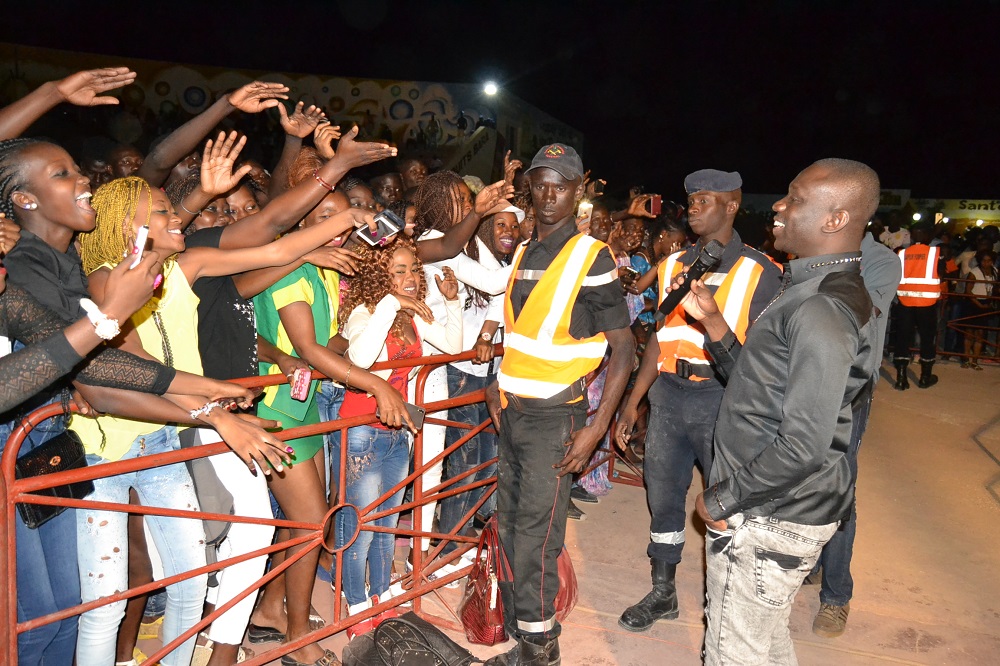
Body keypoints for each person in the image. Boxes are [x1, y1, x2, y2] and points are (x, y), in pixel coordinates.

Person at [690, 158, 879, 665]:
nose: (778, 205)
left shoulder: (822, 308)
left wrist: (724, 498)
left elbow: (806, 444)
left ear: (835, 220)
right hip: (772, 505)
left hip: (769, 513)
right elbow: (763, 387)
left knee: (734, 654)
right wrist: (716, 329)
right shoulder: (808, 290)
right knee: (764, 644)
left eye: (794, 198)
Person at [485, 144, 635, 666]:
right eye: (541, 183)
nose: (549, 195)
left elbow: (625, 348)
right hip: (513, 409)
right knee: (508, 524)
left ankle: (539, 647)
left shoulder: (590, 255)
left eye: (561, 185)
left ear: (579, 190)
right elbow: (518, 330)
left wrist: (596, 428)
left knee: (537, 536)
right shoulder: (525, 250)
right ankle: (518, 624)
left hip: (557, 415)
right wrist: (493, 383)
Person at [615, 169, 782, 632]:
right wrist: (635, 400)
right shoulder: (672, 266)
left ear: (731, 205)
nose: (691, 206)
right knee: (663, 495)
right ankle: (663, 589)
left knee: (725, 502)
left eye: (703, 199)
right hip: (669, 394)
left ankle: (726, 598)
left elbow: (766, 361)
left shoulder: (762, 272)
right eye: (689, 198)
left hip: (723, 398)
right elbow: (659, 339)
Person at [337, 236, 462, 637]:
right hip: (361, 433)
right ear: (380, 276)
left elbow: (452, 347)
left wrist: (452, 300)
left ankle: (380, 596)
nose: (411, 278)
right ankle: (356, 604)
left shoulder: (414, 316)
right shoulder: (365, 312)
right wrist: (391, 305)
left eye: (413, 270)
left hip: (398, 431)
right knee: (363, 524)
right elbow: (360, 359)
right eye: (399, 271)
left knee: (387, 523)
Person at [807, 222, 902, 639]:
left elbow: (863, 310)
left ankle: (836, 596)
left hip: (850, 389)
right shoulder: (818, 253)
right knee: (802, 474)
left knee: (840, 488)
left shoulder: (880, 261)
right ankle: (810, 563)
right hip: (808, 380)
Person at [892, 226, 942, 389]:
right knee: (927, 340)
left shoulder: (902, 254)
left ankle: (901, 379)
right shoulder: (935, 253)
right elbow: (942, 274)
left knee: (902, 339)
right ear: (927, 235)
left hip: (905, 303)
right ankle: (925, 378)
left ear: (912, 237)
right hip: (926, 305)